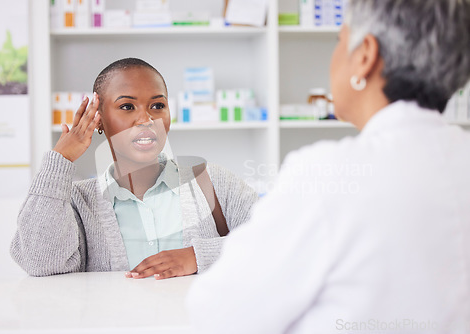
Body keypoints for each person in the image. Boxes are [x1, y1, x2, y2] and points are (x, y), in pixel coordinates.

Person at [186, 0, 470, 333]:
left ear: (364, 55)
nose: (334, 56)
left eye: (339, 40)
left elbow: (218, 312)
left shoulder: (329, 174)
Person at [10, 58, 258, 280]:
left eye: (158, 106)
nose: (146, 119)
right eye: (127, 107)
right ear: (99, 119)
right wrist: (60, 160)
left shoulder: (213, 181)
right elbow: (40, 264)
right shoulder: (78, 201)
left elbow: (277, 239)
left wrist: (197, 256)